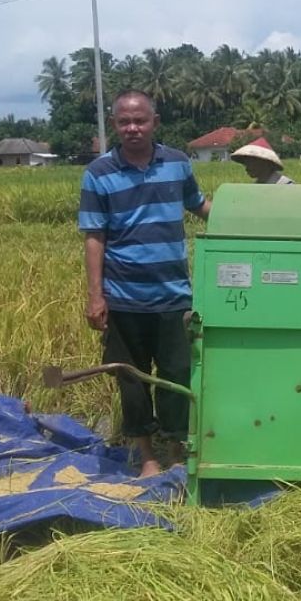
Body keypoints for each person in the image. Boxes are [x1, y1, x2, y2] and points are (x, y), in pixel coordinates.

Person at [78, 91, 212, 478]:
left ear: (155, 121)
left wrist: (245, 217)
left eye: (140, 120)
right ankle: (147, 456)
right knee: (131, 379)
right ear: (115, 124)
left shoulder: (177, 163)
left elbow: (199, 205)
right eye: (124, 122)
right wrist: (95, 296)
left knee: (176, 375)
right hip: (123, 297)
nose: (132, 128)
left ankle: (175, 448)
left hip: (174, 295)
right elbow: (94, 237)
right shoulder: (99, 173)